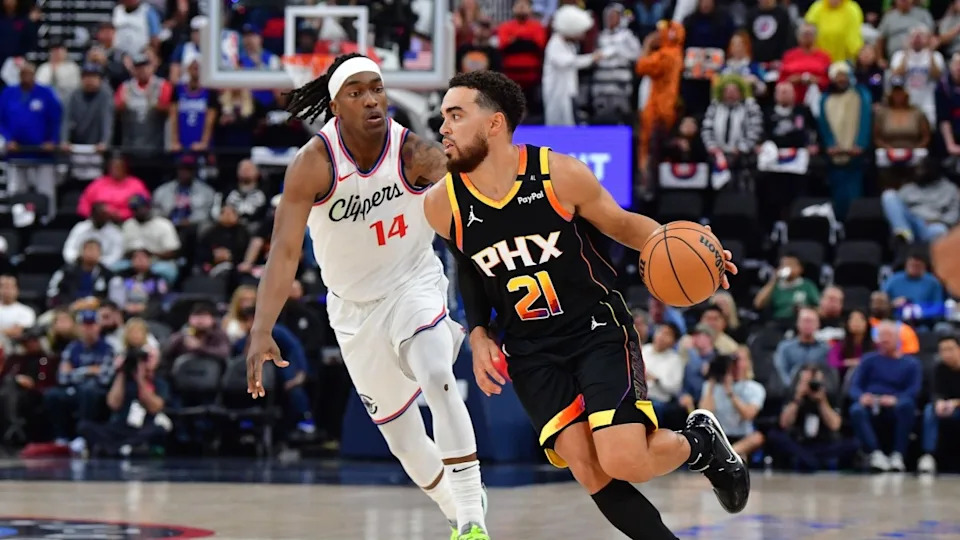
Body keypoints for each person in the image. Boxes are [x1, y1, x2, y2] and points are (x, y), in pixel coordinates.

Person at [424, 70, 748, 540]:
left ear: (494, 123)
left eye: (456, 115)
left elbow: (624, 225)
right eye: (443, 117)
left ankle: (701, 444)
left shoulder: (558, 174)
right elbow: (470, 269)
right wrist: (478, 332)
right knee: (587, 465)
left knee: (624, 459)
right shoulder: (442, 203)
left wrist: (694, 250)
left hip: (595, 327)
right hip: (530, 347)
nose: (444, 127)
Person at [243, 54, 489, 540]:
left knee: (437, 374)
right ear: (336, 106)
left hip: (413, 283)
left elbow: (477, 205)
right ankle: (457, 506)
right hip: (353, 309)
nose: (372, 99)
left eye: (376, 88)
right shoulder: (313, 163)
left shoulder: (414, 152)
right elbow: (284, 251)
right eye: (356, 93)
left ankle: (471, 519)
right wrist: (261, 328)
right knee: (405, 442)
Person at [848, 321, 922, 472]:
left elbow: (914, 389)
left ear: (898, 338)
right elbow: (854, 387)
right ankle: (875, 454)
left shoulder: (911, 363)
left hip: (896, 402)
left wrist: (896, 399)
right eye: (881, 336)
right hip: (872, 402)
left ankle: (898, 455)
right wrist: (862, 397)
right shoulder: (868, 360)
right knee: (856, 410)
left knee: (906, 406)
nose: (884, 340)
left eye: (888, 336)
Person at [766, 364, 858, 471]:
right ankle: (810, 461)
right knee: (774, 435)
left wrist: (822, 401)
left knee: (853, 443)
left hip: (823, 444)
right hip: (799, 443)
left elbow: (835, 425)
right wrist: (797, 399)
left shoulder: (829, 395)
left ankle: (808, 461)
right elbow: (784, 424)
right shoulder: (793, 394)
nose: (811, 386)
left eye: (815, 382)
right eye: (807, 382)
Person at [917, 335, 960, 474]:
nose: (947, 354)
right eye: (943, 350)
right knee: (930, 409)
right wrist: (939, 402)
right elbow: (936, 392)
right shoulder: (939, 369)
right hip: (949, 409)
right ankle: (928, 455)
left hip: (956, 406)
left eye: (950, 349)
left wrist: (955, 403)